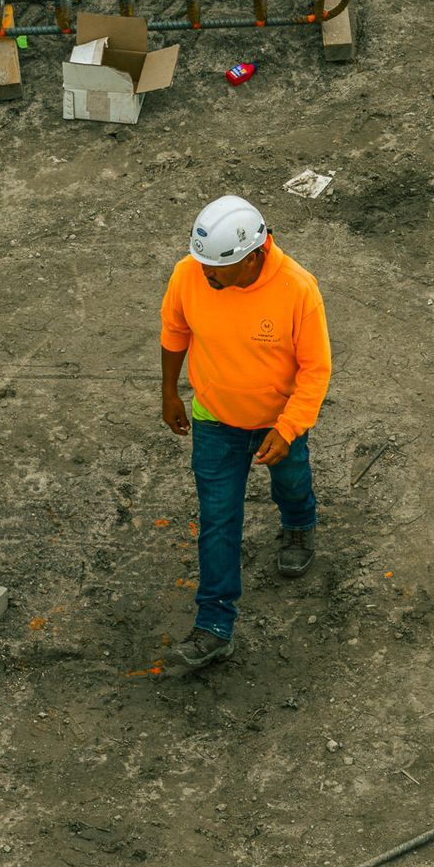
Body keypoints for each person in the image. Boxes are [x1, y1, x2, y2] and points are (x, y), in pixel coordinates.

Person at [157, 195, 332, 678]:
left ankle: (299, 523)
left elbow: (316, 371)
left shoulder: (298, 290)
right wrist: (170, 393)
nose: (206, 275)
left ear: (252, 256)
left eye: (217, 267)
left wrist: (289, 427)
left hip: (278, 423)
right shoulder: (190, 273)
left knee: (291, 482)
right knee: (217, 518)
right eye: (202, 263)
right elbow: (175, 332)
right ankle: (214, 625)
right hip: (214, 420)